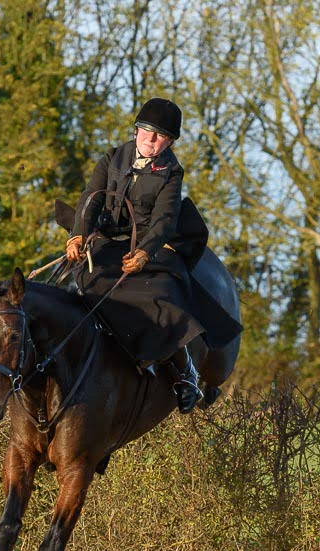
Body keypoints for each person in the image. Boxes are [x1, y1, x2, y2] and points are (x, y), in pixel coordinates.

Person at [64, 97, 205, 414]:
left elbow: (165, 219)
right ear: (137, 129)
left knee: (162, 297)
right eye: (146, 132)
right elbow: (91, 198)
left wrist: (144, 252)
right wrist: (78, 234)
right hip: (105, 241)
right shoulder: (112, 157)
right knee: (69, 284)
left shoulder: (171, 172)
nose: (150, 141)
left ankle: (187, 373)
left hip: (145, 248)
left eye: (159, 137)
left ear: (168, 141)